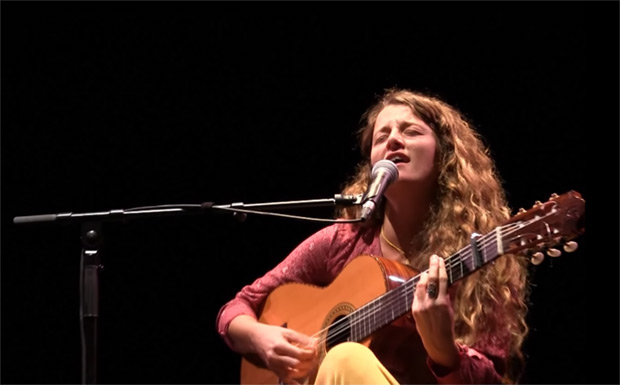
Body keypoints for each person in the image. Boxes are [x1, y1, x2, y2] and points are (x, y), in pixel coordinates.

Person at [216, 88, 530, 384]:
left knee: (345, 358)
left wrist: (444, 351)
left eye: (411, 131)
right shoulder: (343, 242)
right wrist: (261, 338)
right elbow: (238, 308)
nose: (394, 139)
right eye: (383, 135)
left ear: (444, 155)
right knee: (344, 358)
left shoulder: (484, 257)